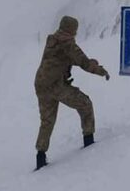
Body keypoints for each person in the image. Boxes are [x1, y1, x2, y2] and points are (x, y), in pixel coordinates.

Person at [34, 15, 110, 170]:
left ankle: (40, 158)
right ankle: (89, 142)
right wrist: (101, 71)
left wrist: (88, 62)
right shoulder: (67, 44)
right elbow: (83, 62)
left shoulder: (52, 40)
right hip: (56, 86)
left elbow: (68, 59)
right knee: (85, 104)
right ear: (73, 30)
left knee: (47, 122)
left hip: (41, 85)